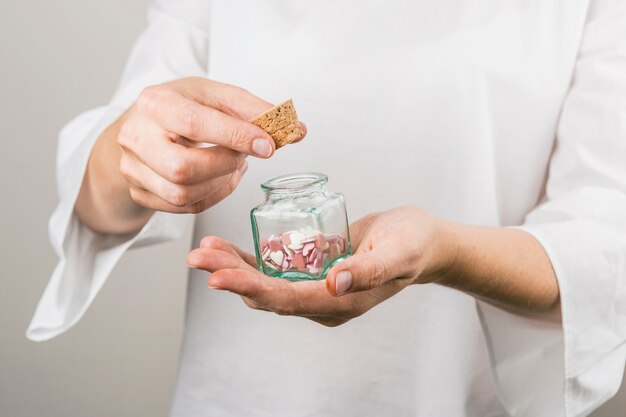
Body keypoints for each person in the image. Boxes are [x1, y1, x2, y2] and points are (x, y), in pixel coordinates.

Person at [27, 1, 626, 416]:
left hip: (462, 396)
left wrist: (443, 252)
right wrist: (132, 153)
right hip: (240, 397)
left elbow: (601, 240)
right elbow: (103, 193)